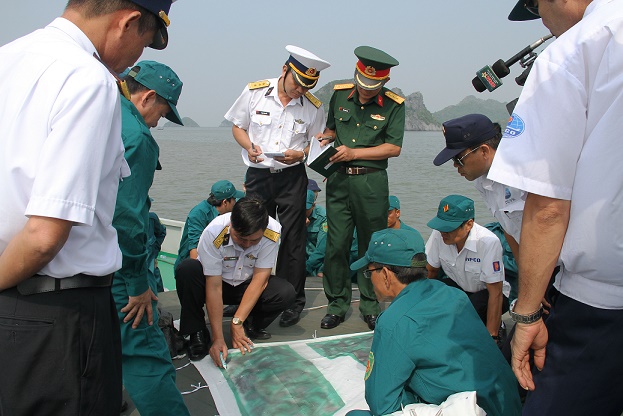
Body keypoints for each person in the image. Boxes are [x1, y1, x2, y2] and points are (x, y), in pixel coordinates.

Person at [0, 0, 174, 414]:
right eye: (145, 43)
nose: (134, 60)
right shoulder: (89, 79)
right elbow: (44, 236)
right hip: (60, 314)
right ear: (129, 22)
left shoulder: (9, 57)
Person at [486, 0, 623, 413]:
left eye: (537, 5)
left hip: (602, 306)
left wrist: (527, 314)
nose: (542, 20)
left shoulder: (572, 52)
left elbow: (547, 208)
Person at [346, 229, 521, 416]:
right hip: (506, 403)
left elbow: (381, 405)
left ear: (386, 275)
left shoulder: (394, 322)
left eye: (370, 272)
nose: (370, 280)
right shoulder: (453, 294)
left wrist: (411, 398)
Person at [224, 45, 330, 329]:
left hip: (292, 177)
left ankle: (292, 300)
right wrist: (250, 147)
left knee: (293, 238)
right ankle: (245, 295)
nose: (300, 91)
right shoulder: (255, 92)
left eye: (307, 87)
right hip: (258, 174)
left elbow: (317, 144)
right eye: (298, 84)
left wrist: (302, 154)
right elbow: (238, 126)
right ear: (285, 70)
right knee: (252, 232)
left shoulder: (313, 107)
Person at [111, 59, 190, 416]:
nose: (159, 122)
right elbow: (126, 217)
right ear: (148, 97)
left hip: (77, 262)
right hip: (119, 268)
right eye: (162, 112)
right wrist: (137, 284)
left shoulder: (103, 111)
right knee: (146, 354)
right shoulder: (138, 137)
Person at [318, 46, 405, 330]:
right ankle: (336, 304)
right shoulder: (340, 95)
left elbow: (393, 148)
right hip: (338, 181)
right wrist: (324, 141)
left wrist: (354, 153)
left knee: (371, 244)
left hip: (371, 182)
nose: (366, 90)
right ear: (356, 75)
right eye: (362, 83)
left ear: (384, 81)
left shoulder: (394, 105)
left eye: (373, 86)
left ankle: (370, 304)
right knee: (336, 243)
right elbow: (331, 130)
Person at [197, 198, 296, 367]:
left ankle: (250, 325)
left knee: (285, 292)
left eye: (254, 241)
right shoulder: (214, 233)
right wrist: (218, 338)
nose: (247, 245)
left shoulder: (272, 232)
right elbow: (214, 287)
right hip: (216, 282)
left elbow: (260, 279)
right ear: (231, 225)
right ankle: (197, 332)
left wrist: (237, 321)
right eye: (241, 239)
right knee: (187, 271)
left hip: (245, 283)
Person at [432, 113, 524, 259]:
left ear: (484, 151)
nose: (455, 165)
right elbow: (509, 228)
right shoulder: (482, 181)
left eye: (459, 159)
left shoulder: (522, 175)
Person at [174, 180, 244, 361]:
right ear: (226, 202)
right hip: (199, 266)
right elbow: (194, 252)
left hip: (223, 265)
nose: (237, 203)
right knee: (188, 272)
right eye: (234, 200)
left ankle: (245, 318)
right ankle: (196, 331)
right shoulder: (198, 214)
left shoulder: (231, 214)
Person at [425, 195, 509, 342]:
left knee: (472, 311)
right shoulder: (439, 234)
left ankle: (497, 325)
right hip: (460, 286)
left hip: (488, 292)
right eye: (441, 226)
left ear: (469, 224)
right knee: (436, 297)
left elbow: (495, 293)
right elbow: (430, 271)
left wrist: (493, 336)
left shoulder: (488, 243)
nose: (443, 232)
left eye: (448, 228)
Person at [148, 210, 167, 293]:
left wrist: (154, 251)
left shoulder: (151, 218)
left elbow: (161, 232)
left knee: (158, 291)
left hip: (151, 264)